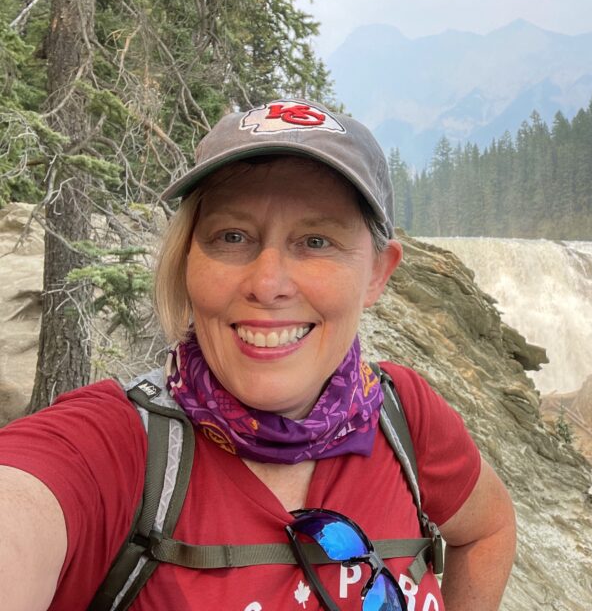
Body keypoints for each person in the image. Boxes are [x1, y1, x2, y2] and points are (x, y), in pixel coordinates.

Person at [0, 100, 516, 611]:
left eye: (316, 240)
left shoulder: (403, 415)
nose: (268, 285)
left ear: (378, 273)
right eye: (232, 236)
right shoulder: (115, 449)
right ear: (186, 261)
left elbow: (489, 527)